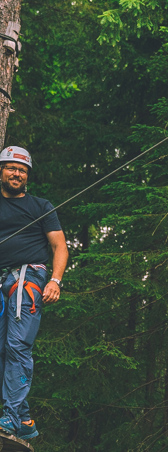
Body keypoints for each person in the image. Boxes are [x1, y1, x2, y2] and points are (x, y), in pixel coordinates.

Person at [0, 146, 68, 440]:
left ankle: (10, 417)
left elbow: (60, 246)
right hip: (1, 281)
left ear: (28, 176)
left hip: (26, 279)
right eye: (12, 168)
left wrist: (55, 280)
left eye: (23, 170)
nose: (17, 174)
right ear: (1, 170)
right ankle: (24, 420)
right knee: (4, 349)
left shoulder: (41, 206)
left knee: (17, 346)